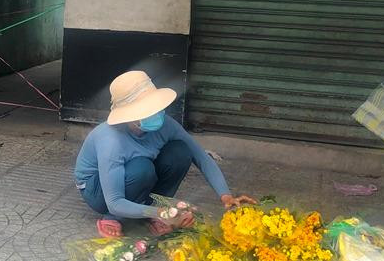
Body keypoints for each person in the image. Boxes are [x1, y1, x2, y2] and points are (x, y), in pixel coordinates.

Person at [75, 70, 256, 238]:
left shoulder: (166, 125)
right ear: (129, 116)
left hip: (137, 177)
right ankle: (113, 218)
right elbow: (114, 201)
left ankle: (153, 206)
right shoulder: (111, 140)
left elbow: (200, 156)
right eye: (146, 111)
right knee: (141, 168)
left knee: (180, 152)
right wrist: (161, 214)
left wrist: (225, 196)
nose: (155, 114)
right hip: (99, 191)